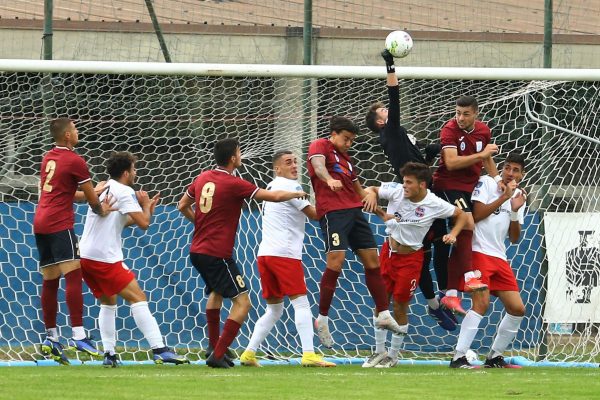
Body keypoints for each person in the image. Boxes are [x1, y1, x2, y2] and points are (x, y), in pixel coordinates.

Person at [177, 138, 308, 369]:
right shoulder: (234, 183)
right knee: (243, 303)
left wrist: (200, 223)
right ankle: (217, 354)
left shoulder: (202, 178)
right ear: (233, 159)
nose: (241, 156)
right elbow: (275, 196)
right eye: (239, 152)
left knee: (216, 293)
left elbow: (182, 205)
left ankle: (214, 346)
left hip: (197, 250)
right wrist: (296, 195)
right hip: (218, 253)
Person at [365, 49, 455, 332]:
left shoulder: (400, 136)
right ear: (381, 121)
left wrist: (429, 154)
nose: (389, 112)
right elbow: (395, 96)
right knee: (431, 246)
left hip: (422, 188)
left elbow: (414, 163)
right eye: (384, 112)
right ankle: (441, 299)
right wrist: (390, 65)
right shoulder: (389, 131)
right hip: (411, 194)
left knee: (431, 246)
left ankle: (437, 302)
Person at [79, 151, 189, 367]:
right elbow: (144, 223)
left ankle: (109, 355)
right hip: (104, 257)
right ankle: (159, 349)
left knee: (108, 302)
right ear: (127, 172)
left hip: (86, 255)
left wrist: (146, 210)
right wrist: (146, 205)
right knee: (138, 297)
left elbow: (120, 221)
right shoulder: (125, 191)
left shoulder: (104, 186)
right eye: (135, 169)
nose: (136, 173)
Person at [308, 116, 403, 349]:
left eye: (351, 140)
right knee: (336, 261)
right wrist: (329, 179)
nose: (349, 143)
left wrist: (382, 215)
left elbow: (359, 190)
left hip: (355, 213)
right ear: (334, 133)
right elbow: (319, 166)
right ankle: (322, 318)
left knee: (373, 262)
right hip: (333, 213)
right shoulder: (320, 145)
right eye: (346, 139)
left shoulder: (348, 161)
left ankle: (382, 312)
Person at [361, 162, 467, 368]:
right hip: (387, 253)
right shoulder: (396, 191)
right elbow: (370, 189)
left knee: (400, 305)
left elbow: (461, 215)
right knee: (381, 302)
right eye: (404, 181)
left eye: (409, 182)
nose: (404, 186)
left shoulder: (434, 203)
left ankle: (392, 355)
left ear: (422, 184)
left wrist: (453, 234)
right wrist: (372, 194)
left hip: (410, 259)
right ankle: (379, 352)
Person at [239, 150, 336, 368]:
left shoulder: (271, 187)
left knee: (274, 309)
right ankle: (309, 354)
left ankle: (248, 353)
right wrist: (336, 203)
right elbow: (315, 214)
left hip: (265, 254)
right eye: (288, 162)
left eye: (295, 162)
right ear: (277, 168)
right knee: (301, 303)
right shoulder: (290, 186)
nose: (294, 165)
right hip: (284, 254)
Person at [33, 118, 113, 365]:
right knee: (73, 274)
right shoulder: (76, 160)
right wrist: (102, 208)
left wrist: (94, 193)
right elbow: (89, 199)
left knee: (50, 279)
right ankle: (79, 334)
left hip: (41, 222)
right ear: (68, 135)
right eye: (76, 129)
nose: (78, 133)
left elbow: (66, 193)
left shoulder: (49, 157)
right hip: (59, 224)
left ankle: (52, 338)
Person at [449, 153, 527, 369]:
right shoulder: (486, 182)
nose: (510, 173)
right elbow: (477, 214)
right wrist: (504, 198)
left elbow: (514, 237)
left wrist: (513, 210)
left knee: (517, 308)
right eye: (507, 168)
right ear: (501, 168)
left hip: (499, 257)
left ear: (522, 174)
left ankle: (494, 358)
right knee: (481, 304)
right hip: (478, 252)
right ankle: (458, 357)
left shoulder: (519, 195)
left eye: (516, 170)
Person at [432, 95, 501, 315]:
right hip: (447, 184)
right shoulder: (449, 129)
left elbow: (488, 158)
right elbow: (451, 163)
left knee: (461, 237)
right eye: (457, 113)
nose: (460, 118)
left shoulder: (483, 130)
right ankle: (470, 277)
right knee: (468, 224)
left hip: (470, 187)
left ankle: (451, 294)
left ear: (476, 114)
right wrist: (481, 154)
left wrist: (498, 181)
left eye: (466, 114)